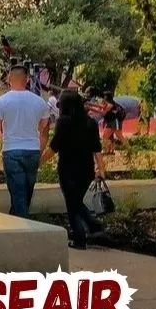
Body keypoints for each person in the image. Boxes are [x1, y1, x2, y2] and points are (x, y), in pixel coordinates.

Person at [0, 65, 50, 217]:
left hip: (12, 151)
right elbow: (44, 130)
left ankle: (22, 225)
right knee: (26, 192)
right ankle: (18, 220)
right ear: (27, 80)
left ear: (9, 80)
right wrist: (40, 151)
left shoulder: (1, 102)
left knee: (18, 192)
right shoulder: (39, 102)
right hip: (33, 150)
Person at [44, 90, 106, 249]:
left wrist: (39, 162)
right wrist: (101, 168)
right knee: (76, 201)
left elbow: (54, 146)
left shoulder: (63, 122)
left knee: (72, 204)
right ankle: (94, 226)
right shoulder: (90, 122)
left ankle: (80, 238)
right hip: (86, 169)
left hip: (68, 168)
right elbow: (96, 148)